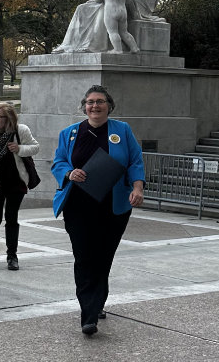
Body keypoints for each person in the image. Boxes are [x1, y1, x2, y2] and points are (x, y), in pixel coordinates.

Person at [51, 85, 145, 335]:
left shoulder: (122, 131)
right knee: (84, 257)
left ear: (109, 106)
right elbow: (58, 162)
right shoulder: (69, 134)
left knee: (103, 257)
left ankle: (96, 301)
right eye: (90, 102)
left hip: (113, 207)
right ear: (84, 106)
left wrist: (137, 187)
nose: (95, 106)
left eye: (100, 101)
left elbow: (135, 160)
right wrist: (70, 173)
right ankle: (89, 314)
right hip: (78, 205)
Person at [0, 103, 39, 271]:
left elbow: (35, 147)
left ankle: (12, 256)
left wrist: (20, 148)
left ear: (9, 119)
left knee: (11, 219)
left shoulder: (21, 131)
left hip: (15, 183)